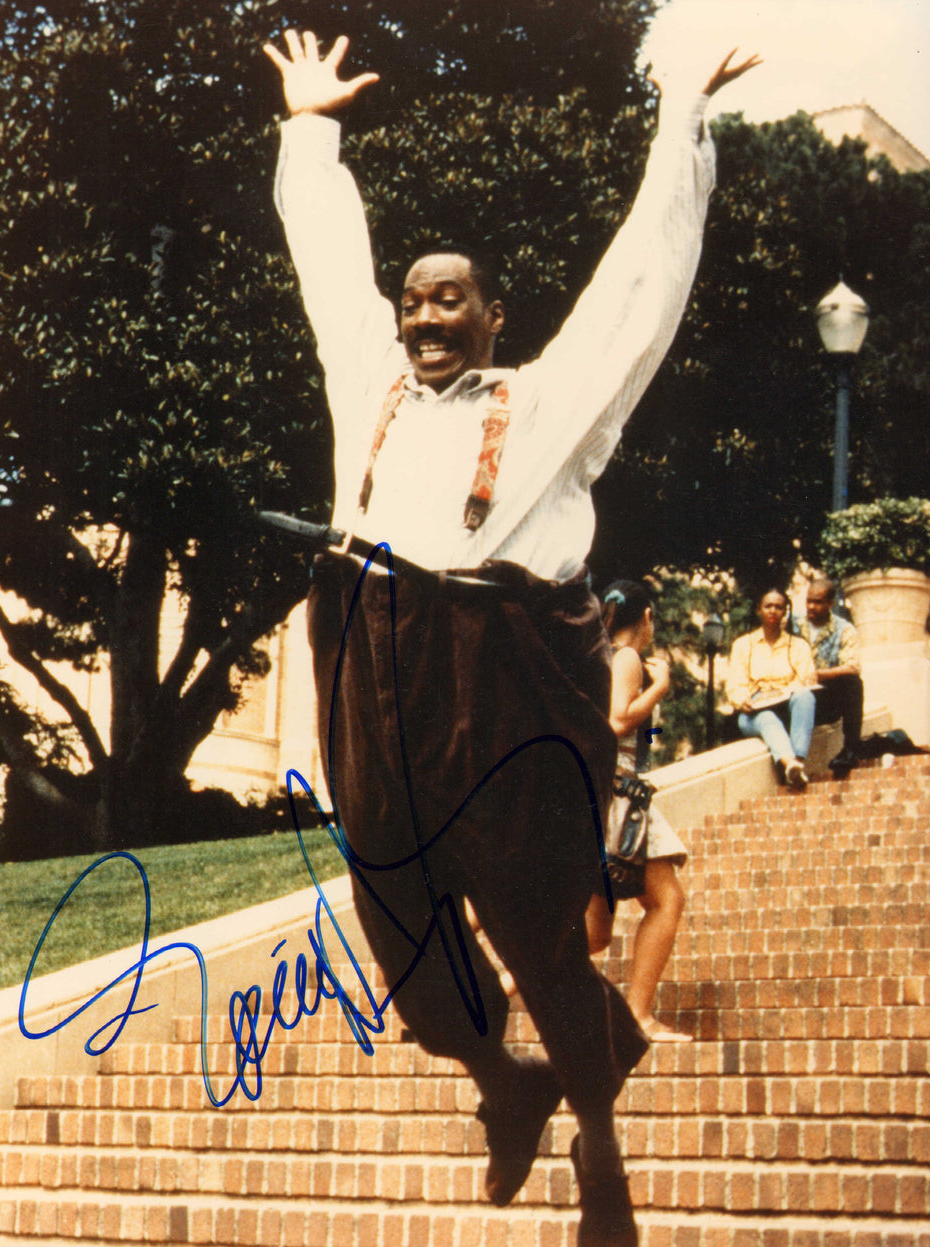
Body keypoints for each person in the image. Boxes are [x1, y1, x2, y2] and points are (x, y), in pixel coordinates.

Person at [265, 29, 759, 1247]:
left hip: (505, 674)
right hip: (370, 663)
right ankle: (510, 1083)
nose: (426, 317)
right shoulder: (366, 388)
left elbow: (637, 295)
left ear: (493, 314)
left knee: (540, 923)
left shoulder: (545, 403)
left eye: (450, 300)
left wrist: (680, 121)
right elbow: (332, 274)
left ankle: (599, 1134)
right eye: (415, 301)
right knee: (401, 930)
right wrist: (311, 131)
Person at [584, 581, 691, 1043]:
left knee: (593, 935)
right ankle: (639, 1018)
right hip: (620, 796)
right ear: (645, 615)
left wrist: (654, 713)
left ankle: (498, 986)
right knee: (667, 901)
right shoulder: (626, 657)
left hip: (604, 791)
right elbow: (618, 720)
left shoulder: (597, 655)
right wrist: (662, 685)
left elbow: (641, 735)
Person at [728, 587, 817, 789]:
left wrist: (783, 691)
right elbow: (735, 683)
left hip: (787, 703)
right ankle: (790, 764)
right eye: (768, 606)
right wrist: (743, 701)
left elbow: (807, 680)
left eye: (778, 607)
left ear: (785, 611)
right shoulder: (743, 645)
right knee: (767, 718)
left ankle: (797, 765)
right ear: (759, 609)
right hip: (755, 711)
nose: (773, 611)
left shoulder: (798, 645)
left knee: (806, 697)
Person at [790, 574, 864, 775]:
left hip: (824, 699)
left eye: (818, 602)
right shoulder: (793, 626)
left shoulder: (844, 630)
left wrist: (819, 674)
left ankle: (850, 750)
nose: (811, 607)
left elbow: (852, 667)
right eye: (809, 601)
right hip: (792, 695)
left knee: (853, 684)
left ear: (830, 603)